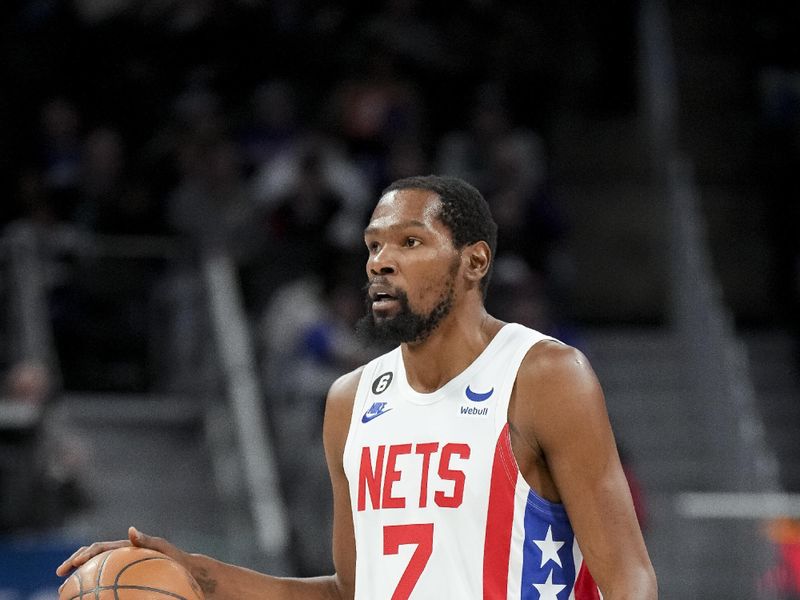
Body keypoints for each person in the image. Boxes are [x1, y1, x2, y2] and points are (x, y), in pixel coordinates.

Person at [56, 175, 657, 598]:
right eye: (373, 245)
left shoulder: (543, 375)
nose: (379, 261)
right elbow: (349, 592)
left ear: (474, 262)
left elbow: (628, 580)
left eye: (409, 242)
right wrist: (197, 575)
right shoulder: (351, 400)